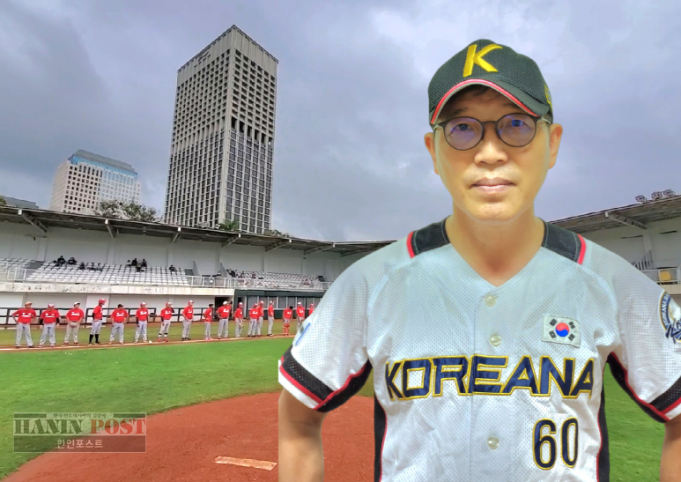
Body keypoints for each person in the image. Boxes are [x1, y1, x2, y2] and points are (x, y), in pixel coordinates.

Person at [277, 39, 681, 481]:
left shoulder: (612, 282)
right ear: (433, 152)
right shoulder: (371, 283)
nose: (490, 153)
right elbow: (298, 418)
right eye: (463, 129)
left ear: (553, 144)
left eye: (517, 124)